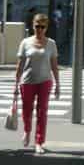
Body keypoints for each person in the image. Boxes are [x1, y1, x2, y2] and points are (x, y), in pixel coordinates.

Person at [14, 12, 60, 154]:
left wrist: (58, 84)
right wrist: (16, 84)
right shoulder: (25, 42)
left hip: (45, 81)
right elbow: (20, 65)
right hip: (27, 82)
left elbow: (54, 65)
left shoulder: (51, 44)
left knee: (42, 112)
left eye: (42, 26)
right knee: (27, 111)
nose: (39, 29)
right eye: (37, 26)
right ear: (33, 26)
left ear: (46, 27)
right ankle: (27, 131)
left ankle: (39, 141)